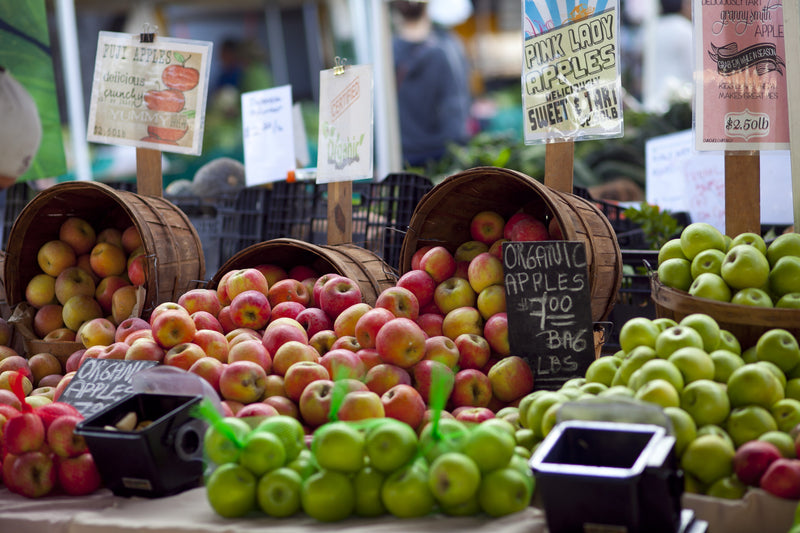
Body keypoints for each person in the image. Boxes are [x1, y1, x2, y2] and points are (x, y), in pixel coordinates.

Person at [391, 1, 471, 167]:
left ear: (395, 13)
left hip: (401, 155)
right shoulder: (447, 49)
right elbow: (455, 106)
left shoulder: (386, 53)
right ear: (428, 9)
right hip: (440, 156)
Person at [642, 0, 694, 114]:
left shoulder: (652, 28)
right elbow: (692, 67)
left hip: (652, 100)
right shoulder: (684, 28)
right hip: (678, 102)